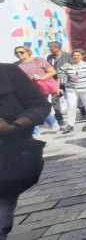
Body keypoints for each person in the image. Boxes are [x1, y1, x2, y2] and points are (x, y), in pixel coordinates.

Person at [0, 63, 50, 240]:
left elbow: (40, 106)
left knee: (1, 224)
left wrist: (16, 125)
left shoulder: (7, 72)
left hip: (7, 157)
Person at [13, 46, 60, 135]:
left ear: (28, 52)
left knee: (37, 108)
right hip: (24, 90)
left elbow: (52, 71)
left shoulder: (38, 60)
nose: (18, 54)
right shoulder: (15, 65)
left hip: (40, 88)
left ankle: (51, 122)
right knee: (30, 109)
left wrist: (41, 77)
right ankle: (37, 130)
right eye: (16, 53)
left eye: (21, 52)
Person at [58, 49, 86, 133]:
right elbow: (59, 75)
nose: (76, 57)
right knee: (71, 106)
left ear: (82, 56)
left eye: (78, 55)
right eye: (74, 55)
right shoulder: (67, 65)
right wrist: (58, 87)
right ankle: (70, 124)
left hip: (85, 88)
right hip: (71, 89)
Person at [46, 41, 72, 125]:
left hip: (67, 80)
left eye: (51, 47)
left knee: (71, 97)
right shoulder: (49, 57)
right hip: (55, 81)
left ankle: (81, 107)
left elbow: (72, 65)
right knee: (55, 99)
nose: (49, 49)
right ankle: (59, 117)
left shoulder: (67, 55)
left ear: (57, 48)